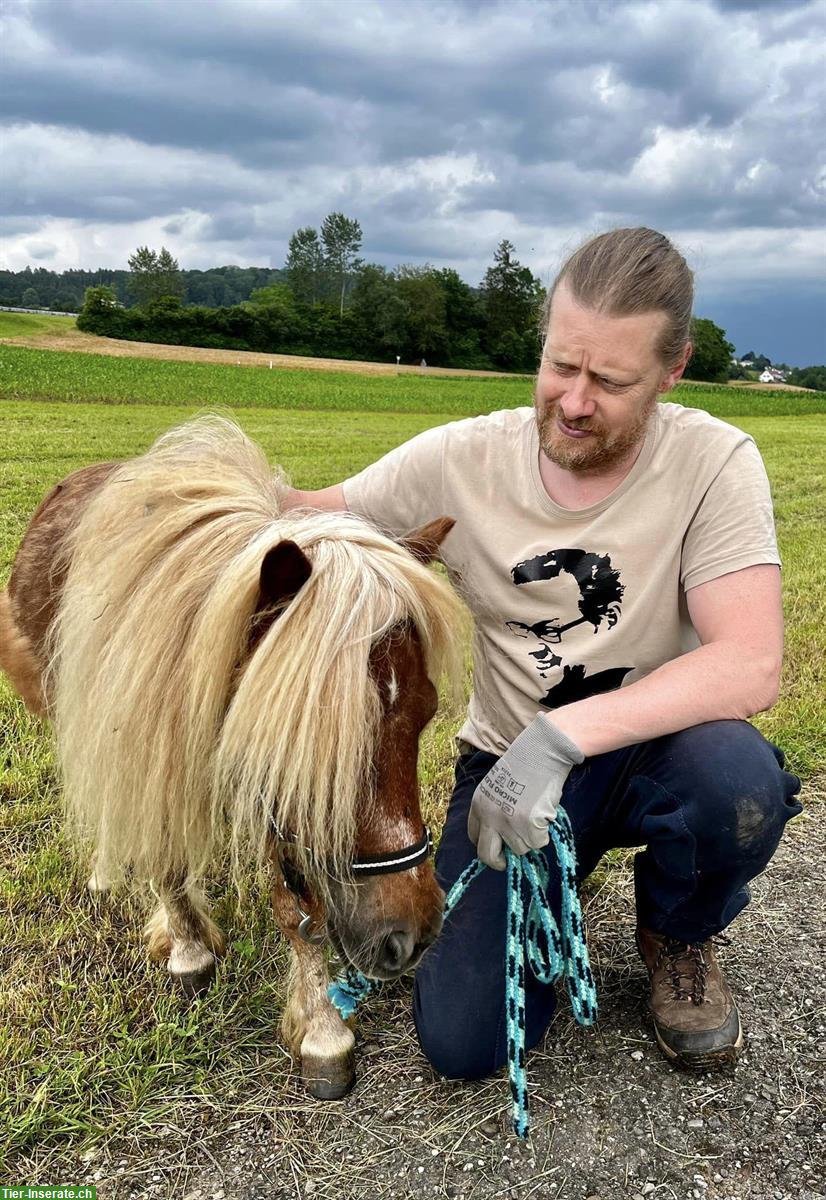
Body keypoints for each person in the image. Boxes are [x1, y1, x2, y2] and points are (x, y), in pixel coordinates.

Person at [284, 228, 802, 1077]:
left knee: (736, 785)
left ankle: (679, 931)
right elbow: (309, 518)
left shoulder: (714, 462)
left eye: (610, 380)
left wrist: (561, 739)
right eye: (562, 364)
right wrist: (187, 496)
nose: (573, 400)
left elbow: (750, 663)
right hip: (503, 772)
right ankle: (544, 910)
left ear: (673, 371)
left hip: (656, 754)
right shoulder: (462, 459)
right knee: (464, 1044)